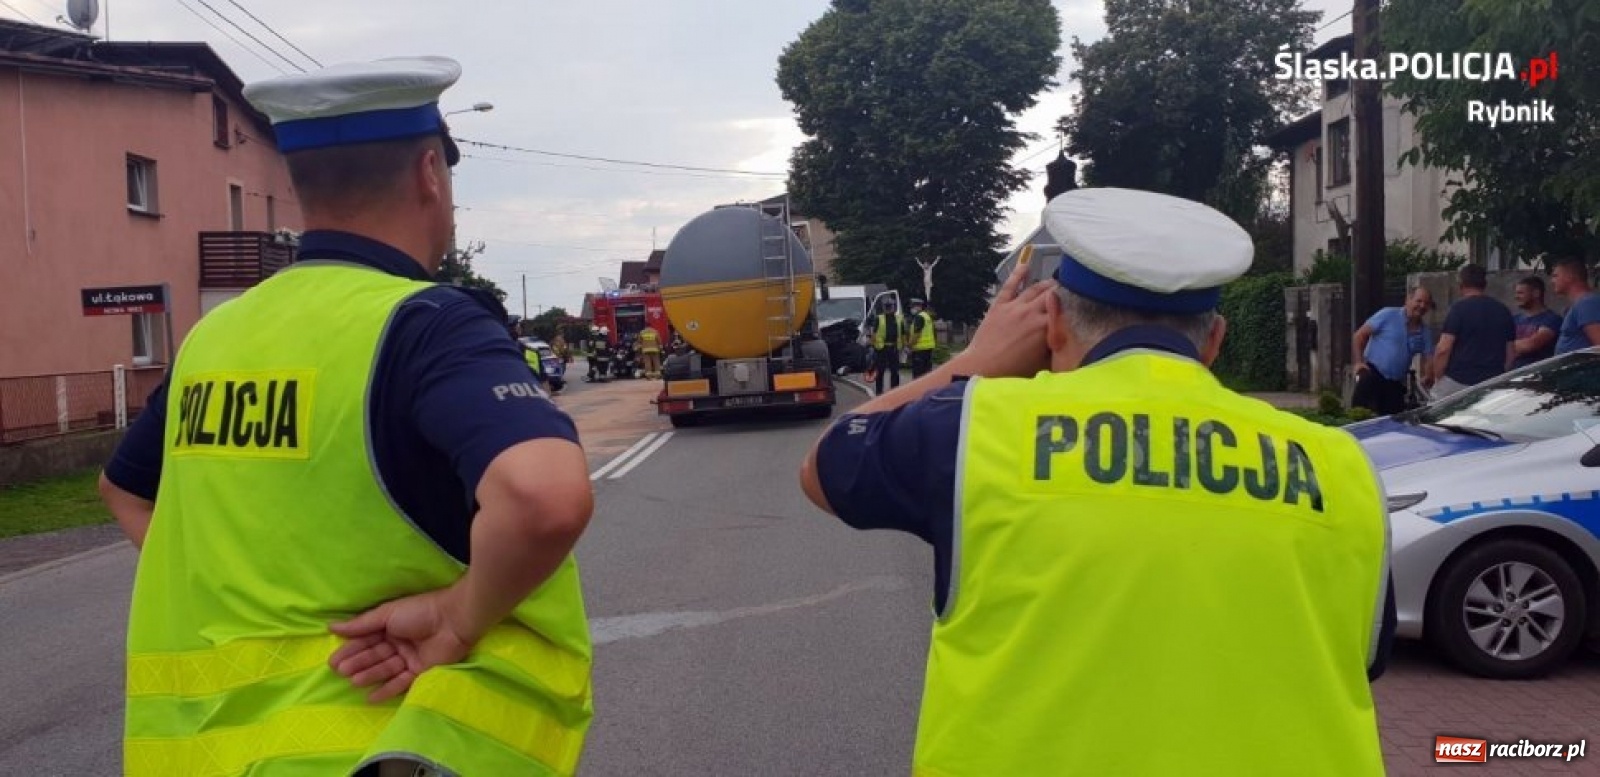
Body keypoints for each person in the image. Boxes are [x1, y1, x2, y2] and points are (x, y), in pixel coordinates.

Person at [97, 57, 595, 777]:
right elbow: (542, 496)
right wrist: (457, 617)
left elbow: (127, 489)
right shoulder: (426, 323)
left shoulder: (216, 337)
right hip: (387, 749)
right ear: (430, 172)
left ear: (301, 188)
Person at [799, 187, 1393, 776]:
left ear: (1052, 322)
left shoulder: (972, 429)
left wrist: (974, 361)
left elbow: (825, 465)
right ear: (1215, 341)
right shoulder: (1342, 466)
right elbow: (1361, 660)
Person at [1432, 264, 1515, 397]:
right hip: (1492, 382)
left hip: (1458, 380)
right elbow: (1510, 354)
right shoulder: (1503, 310)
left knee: (1435, 413)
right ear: (1484, 284)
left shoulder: (1458, 310)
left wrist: (1438, 378)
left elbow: (1443, 349)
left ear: (1461, 284)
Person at [1351, 287, 1436, 416]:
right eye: (1418, 301)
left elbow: (1430, 357)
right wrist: (1358, 362)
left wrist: (1429, 376)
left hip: (1395, 385)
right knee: (1360, 420)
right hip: (1372, 375)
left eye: (1426, 303)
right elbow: (1359, 335)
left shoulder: (1425, 332)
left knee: (1391, 426)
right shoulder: (1388, 315)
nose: (1422, 306)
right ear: (1408, 300)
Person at [1510, 275, 1563, 369]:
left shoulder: (1552, 319)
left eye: (1521, 293)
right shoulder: (1514, 319)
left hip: (1539, 374)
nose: (1516, 297)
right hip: (1513, 374)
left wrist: (1506, 345)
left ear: (1536, 293)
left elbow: (1531, 344)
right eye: (1516, 293)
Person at [1552, 256, 1600, 354]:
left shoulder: (1587, 303)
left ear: (1570, 277)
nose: (1552, 281)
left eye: (1556, 276)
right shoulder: (1580, 304)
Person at [866, 297, 904, 394]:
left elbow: (903, 334)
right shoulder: (879, 318)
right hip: (881, 349)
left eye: (890, 306)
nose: (888, 308)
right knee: (880, 371)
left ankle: (895, 391)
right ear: (883, 308)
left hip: (894, 348)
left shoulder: (899, 319)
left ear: (894, 307)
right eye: (887, 307)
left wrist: (904, 347)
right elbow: (874, 333)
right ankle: (879, 392)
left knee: (894, 371)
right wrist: (872, 345)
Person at [906, 298, 937, 378]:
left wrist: (909, 346)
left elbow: (916, 335)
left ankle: (918, 390)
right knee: (926, 375)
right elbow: (934, 332)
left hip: (920, 350)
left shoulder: (919, 317)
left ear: (918, 306)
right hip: (928, 349)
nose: (911, 309)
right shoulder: (927, 316)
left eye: (912, 307)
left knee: (918, 375)